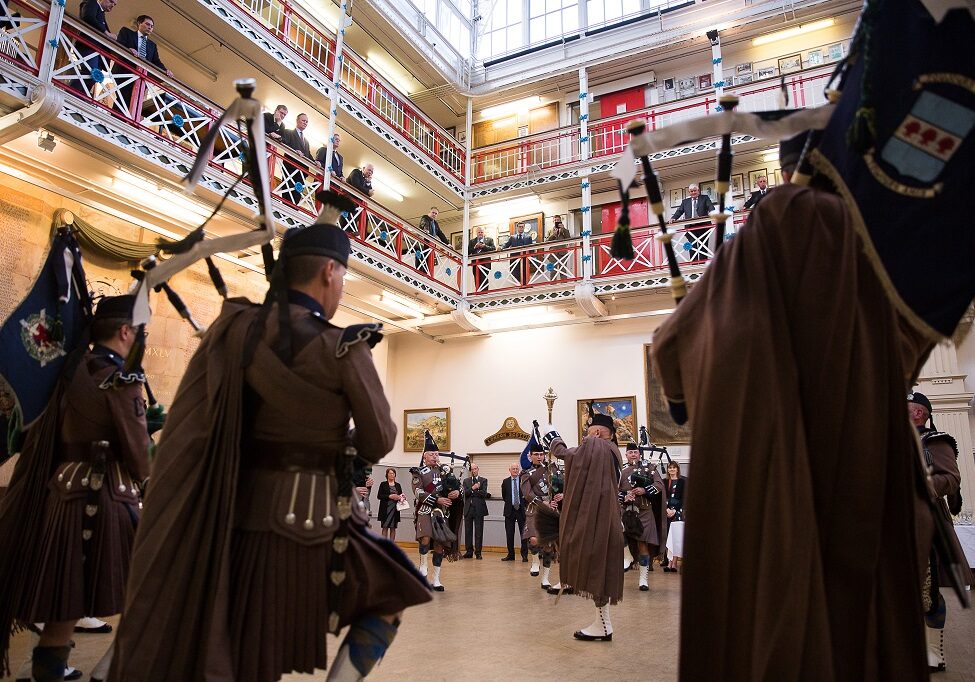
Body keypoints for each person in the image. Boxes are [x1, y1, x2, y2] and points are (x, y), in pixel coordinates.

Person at [108, 192, 431, 681]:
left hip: (232, 511)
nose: (342, 286)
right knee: (391, 593)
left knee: (248, 646)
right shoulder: (342, 347)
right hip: (316, 520)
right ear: (328, 272)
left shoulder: (237, 332)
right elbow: (379, 440)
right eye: (342, 275)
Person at [0, 294, 149, 682]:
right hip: (106, 495)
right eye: (138, 333)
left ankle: (47, 667)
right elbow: (139, 457)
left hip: (64, 488)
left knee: (68, 592)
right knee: (153, 581)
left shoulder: (72, 370)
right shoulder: (121, 377)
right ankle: (115, 670)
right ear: (124, 331)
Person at [907, 391, 972, 672]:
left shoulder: (936, 442)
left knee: (927, 591)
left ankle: (933, 652)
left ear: (920, 412)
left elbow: (950, 479)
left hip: (926, 527)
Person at [544, 413, 624, 641]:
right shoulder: (612, 451)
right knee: (602, 572)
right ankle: (603, 625)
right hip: (609, 520)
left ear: (597, 433)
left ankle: (603, 626)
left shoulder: (596, 445)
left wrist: (553, 437)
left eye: (588, 433)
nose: (585, 438)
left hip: (598, 521)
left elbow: (566, 454)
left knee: (595, 568)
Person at [412, 444, 461, 591]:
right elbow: (418, 492)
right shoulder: (418, 472)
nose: (435, 456)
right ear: (424, 456)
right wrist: (436, 499)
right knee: (425, 537)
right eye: (432, 454)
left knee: (440, 544)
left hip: (442, 512)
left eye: (437, 454)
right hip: (425, 510)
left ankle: (436, 579)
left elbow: (457, 487)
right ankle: (423, 566)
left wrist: (457, 493)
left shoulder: (445, 471)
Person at [619, 442, 664, 590]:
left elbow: (659, 485)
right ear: (626, 455)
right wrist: (625, 496)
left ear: (639, 454)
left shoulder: (649, 468)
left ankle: (643, 579)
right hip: (627, 512)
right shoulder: (622, 472)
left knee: (642, 544)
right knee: (619, 532)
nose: (633, 454)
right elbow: (615, 490)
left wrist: (644, 490)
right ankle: (628, 556)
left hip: (645, 511)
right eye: (630, 452)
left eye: (635, 452)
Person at [520, 444, 562, 590]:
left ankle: (545, 579)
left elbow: (562, 484)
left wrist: (560, 496)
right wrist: (542, 502)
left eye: (541, 454)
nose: (539, 457)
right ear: (530, 456)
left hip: (551, 509)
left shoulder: (553, 469)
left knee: (549, 546)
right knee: (533, 539)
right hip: (535, 509)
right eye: (536, 454)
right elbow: (527, 493)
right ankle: (535, 561)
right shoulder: (526, 473)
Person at [670, 183, 714, 261]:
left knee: (703, 246)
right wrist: (674, 218)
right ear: (689, 192)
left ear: (698, 191)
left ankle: (703, 266)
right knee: (692, 246)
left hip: (703, 226)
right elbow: (679, 211)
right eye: (691, 191)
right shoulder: (685, 202)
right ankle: (694, 266)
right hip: (691, 228)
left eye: (694, 191)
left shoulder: (705, 198)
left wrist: (712, 212)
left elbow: (710, 206)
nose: (693, 192)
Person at [501, 462, 528, 562]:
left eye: (517, 469)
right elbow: (504, 496)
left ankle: (524, 555)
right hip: (509, 511)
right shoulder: (505, 482)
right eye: (513, 469)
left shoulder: (523, 481)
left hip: (521, 511)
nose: (515, 470)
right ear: (510, 470)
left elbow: (527, 495)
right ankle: (511, 555)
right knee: (509, 534)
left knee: (524, 534)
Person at [661, 461, 685, 572]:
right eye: (670, 468)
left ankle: (674, 563)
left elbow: (683, 498)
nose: (672, 469)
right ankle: (668, 561)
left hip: (677, 512)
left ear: (677, 469)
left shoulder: (682, 482)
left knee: (675, 537)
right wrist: (666, 509)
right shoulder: (664, 481)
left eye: (674, 468)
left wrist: (675, 510)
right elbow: (662, 497)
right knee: (667, 536)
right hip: (665, 511)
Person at [462, 463, 489, 559]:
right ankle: (469, 551)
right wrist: (473, 488)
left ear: (478, 469)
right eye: (472, 469)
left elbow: (483, 493)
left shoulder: (483, 480)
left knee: (479, 531)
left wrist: (473, 491)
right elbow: (465, 493)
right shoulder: (466, 481)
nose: (473, 471)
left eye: (475, 469)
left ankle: (478, 552)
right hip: (468, 509)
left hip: (479, 509)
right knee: (468, 531)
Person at [416, 207, 448, 273]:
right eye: (433, 212)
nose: (434, 214)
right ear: (429, 212)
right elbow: (424, 223)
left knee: (429, 261)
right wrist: (426, 229)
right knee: (422, 258)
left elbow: (440, 233)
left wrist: (447, 243)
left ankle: (426, 273)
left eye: (436, 213)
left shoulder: (435, 223)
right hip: (424, 242)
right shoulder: (425, 217)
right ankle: (420, 272)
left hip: (431, 244)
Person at [376, 467, 404, 541]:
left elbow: (401, 495)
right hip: (385, 509)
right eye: (390, 473)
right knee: (385, 527)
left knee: (393, 528)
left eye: (393, 473)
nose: (391, 475)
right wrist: (389, 496)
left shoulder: (398, 485)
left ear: (395, 475)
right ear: (387, 475)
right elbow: (379, 496)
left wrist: (402, 497)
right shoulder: (383, 484)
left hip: (395, 509)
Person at [468, 226, 495, 291]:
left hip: (485, 263)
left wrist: (484, 246)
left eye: (481, 232)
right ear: (476, 233)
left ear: (484, 233)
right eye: (479, 232)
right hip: (475, 264)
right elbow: (468, 252)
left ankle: (485, 293)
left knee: (484, 279)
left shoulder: (489, 240)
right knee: (477, 279)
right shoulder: (472, 241)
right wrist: (475, 247)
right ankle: (478, 293)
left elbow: (493, 249)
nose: (480, 233)